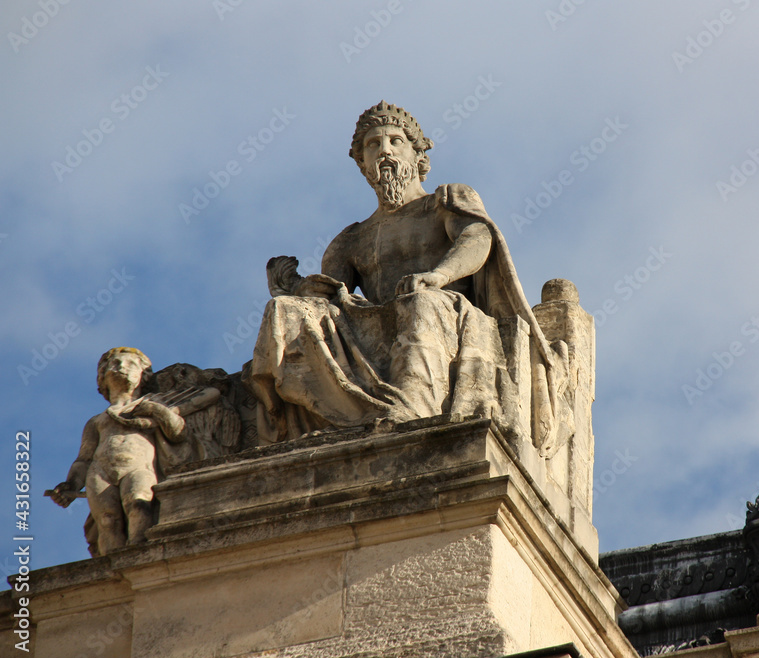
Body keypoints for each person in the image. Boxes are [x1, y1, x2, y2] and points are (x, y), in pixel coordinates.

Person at [249, 102, 569, 452]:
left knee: (419, 303)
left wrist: (438, 276)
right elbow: (328, 304)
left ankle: (413, 407)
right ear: (363, 164)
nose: (384, 150)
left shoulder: (444, 201)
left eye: (395, 141)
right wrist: (294, 288)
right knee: (284, 310)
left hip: (440, 310)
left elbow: (477, 239)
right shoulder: (350, 239)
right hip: (374, 322)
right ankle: (298, 419)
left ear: (419, 157)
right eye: (373, 145)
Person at [49, 348, 185, 554]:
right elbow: (84, 459)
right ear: (102, 377)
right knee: (107, 521)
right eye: (115, 364)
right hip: (100, 471)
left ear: (143, 375)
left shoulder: (153, 405)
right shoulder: (96, 421)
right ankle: (112, 574)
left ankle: (141, 560)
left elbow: (177, 432)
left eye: (131, 364)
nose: (121, 367)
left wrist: (158, 411)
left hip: (138, 467)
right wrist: (71, 484)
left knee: (139, 505)